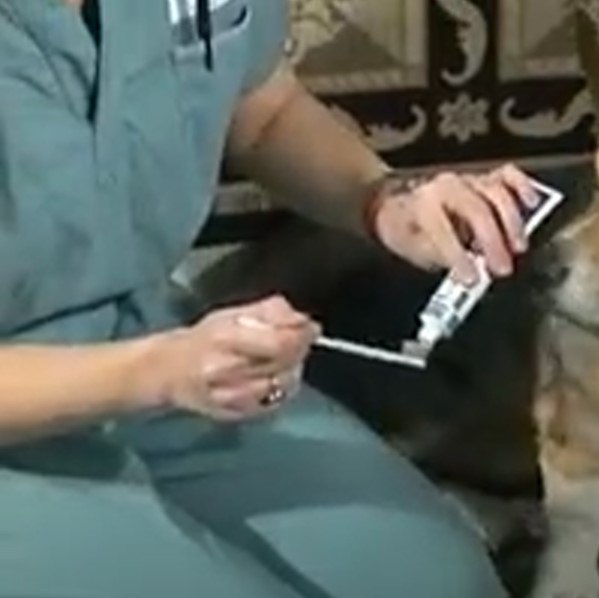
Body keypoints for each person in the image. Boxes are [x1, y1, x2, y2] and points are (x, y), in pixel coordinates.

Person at [0, 1, 539, 597]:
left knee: (440, 583)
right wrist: (156, 373)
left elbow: (263, 110)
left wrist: (382, 203)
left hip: (148, 342)